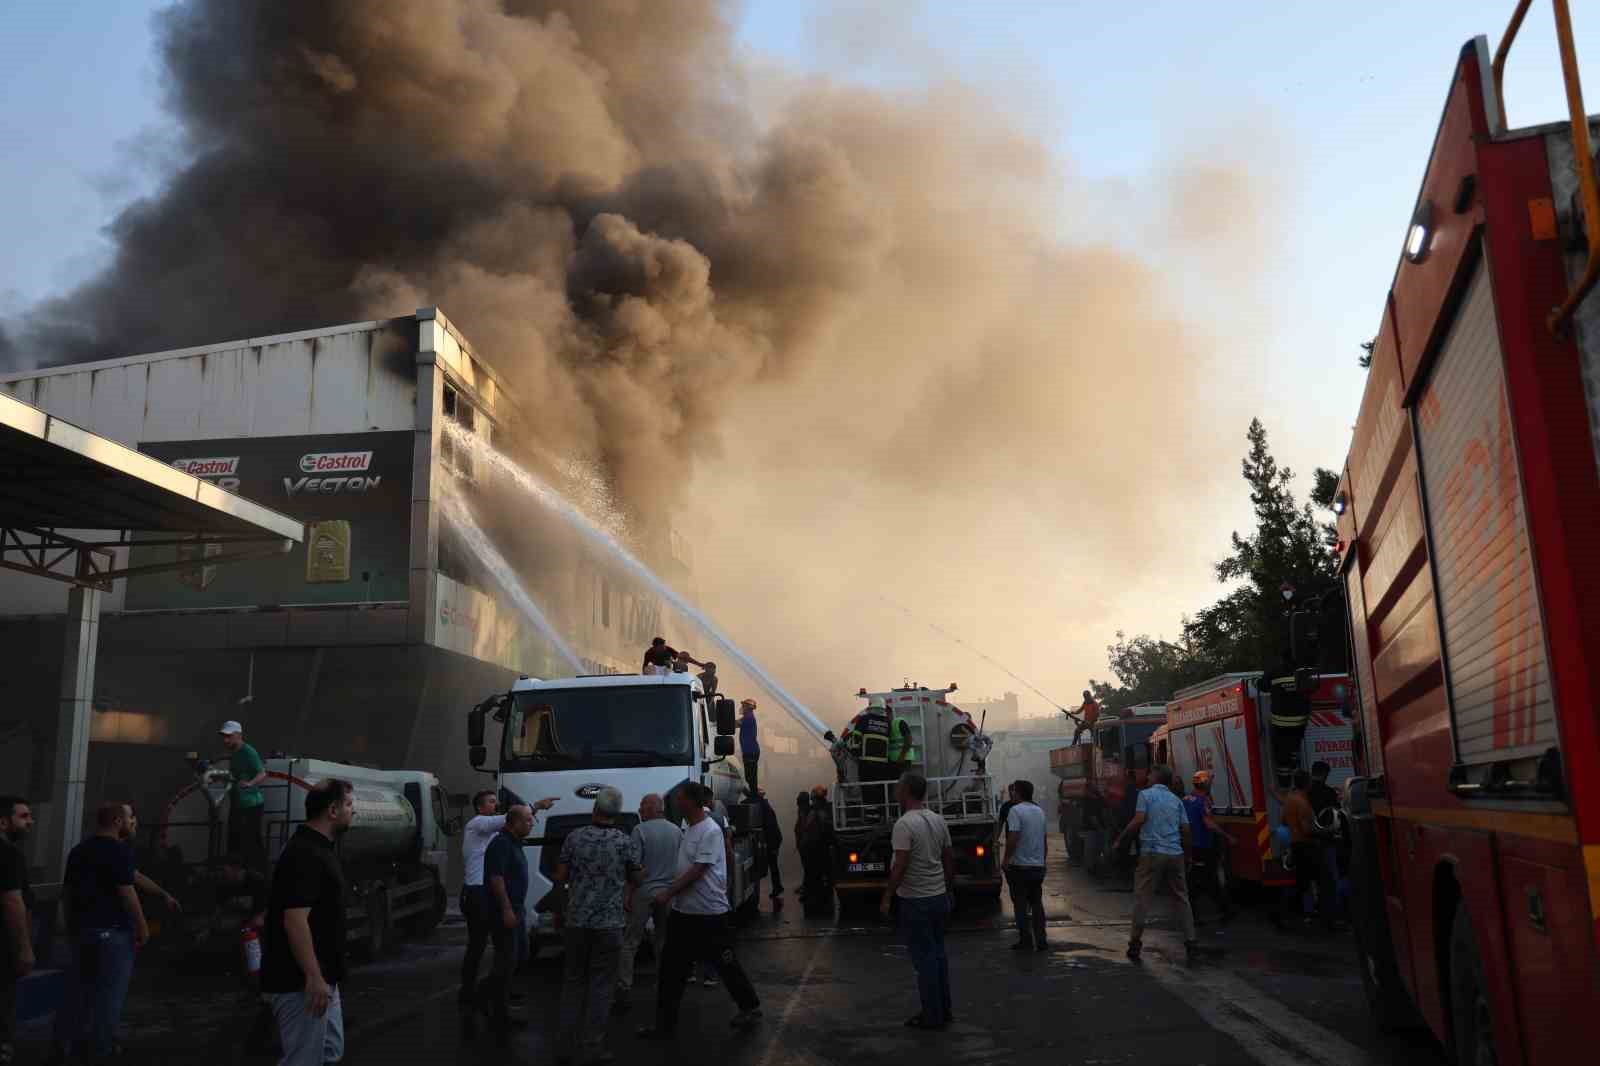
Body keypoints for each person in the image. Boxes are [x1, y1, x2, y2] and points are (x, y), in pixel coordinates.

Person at [638, 783, 762, 1038]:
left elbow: (697, 871)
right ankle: (664, 1024)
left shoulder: (710, 831)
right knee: (672, 970)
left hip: (709, 915)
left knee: (726, 963)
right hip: (685, 913)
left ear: (692, 803)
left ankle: (749, 1006)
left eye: (680, 800)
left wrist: (667, 894)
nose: (676, 804)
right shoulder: (689, 828)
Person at [263, 779, 353, 1066]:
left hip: (322, 977)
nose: (355, 810)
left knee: (329, 1052)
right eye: (350, 804)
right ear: (333, 810)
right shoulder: (305, 853)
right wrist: (313, 977)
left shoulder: (321, 848)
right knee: (303, 1060)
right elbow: (294, 919)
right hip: (299, 981)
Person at [52, 802, 149, 1063]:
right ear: (117, 821)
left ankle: (65, 1046)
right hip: (113, 933)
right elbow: (127, 893)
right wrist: (142, 927)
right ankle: (101, 1051)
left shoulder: (79, 851)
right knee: (110, 995)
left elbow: (67, 893)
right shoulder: (119, 850)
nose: (132, 822)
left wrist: (69, 926)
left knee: (79, 991)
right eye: (130, 818)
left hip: (83, 932)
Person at [553, 786, 641, 1064]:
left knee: (573, 983)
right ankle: (593, 1046)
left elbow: (560, 876)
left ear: (595, 809)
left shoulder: (574, 838)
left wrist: (561, 908)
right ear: (616, 813)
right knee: (602, 986)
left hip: (577, 921)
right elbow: (637, 879)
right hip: (610, 924)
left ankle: (565, 1047)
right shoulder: (623, 842)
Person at [458, 790, 556, 1008]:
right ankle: (470, 992)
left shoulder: (494, 834)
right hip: (476, 893)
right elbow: (509, 818)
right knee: (479, 946)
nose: (496, 805)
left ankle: (498, 990)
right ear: (480, 808)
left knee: (508, 950)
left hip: (485, 893)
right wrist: (537, 805)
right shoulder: (478, 823)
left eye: (496, 801)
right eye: (491, 802)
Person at [881, 771, 955, 1030]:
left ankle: (931, 1016)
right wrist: (948, 889)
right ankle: (944, 1010)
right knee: (938, 955)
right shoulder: (938, 819)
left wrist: (888, 895)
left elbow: (900, 864)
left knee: (924, 959)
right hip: (938, 897)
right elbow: (948, 858)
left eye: (898, 786)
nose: (895, 790)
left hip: (916, 901)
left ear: (906, 792)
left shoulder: (904, 825)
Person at [1115, 766, 1197, 964]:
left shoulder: (1145, 795)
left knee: (1143, 898)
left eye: (1150, 774)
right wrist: (1188, 856)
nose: (1147, 776)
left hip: (1152, 853)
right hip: (1175, 853)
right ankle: (1191, 943)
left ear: (1156, 778)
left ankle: (1135, 944)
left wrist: (1121, 839)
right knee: (1181, 898)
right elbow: (1186, 829)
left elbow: (1138, 820)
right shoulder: (1176, 800)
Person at [617, 794, 682, 1009]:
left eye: (643, 806)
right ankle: (663, 983)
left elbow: (634, 867)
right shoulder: (676, 831)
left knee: (630, 941)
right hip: (669, 893)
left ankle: (624, 987)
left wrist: (627, 894)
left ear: (654, 808)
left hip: (643, 893)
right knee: (663, 939)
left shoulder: (639, 830)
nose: (640, 810)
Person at [480, 804, 535, 1043]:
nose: (532, 823)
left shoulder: (514, 842)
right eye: (528, 820)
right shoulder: (501, 844)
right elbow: (496, 879)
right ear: (514, 822)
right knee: (506, 960)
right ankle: (496, 1010)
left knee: (519, 956)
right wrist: (506, 910)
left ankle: (487, 995)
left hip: (517, 910)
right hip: (505, 911)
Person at [1273, 771, 1335, 933]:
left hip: (1296, 845)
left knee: (1301, 884)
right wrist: (1327, 832)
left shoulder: (1290, 800)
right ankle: (1328, 921)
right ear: (1307, 783)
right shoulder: (1302, 803)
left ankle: (1282, 915)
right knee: (1325, 881)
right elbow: (1307, 829)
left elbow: (1283, 821)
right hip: (1307, 846)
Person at [1, 797, 35, 1066]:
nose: (30, 822)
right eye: (24, 817)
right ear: (3, 821)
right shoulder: (9, 855)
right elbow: (13, 902)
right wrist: (24, 948)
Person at [220, 721, 270, 884]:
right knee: (235, 841)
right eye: (224, 737)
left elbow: (262, 773)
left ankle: (262, 879)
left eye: (229, 736)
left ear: (239, 735)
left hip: (251, 805)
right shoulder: (234, 753)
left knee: (251, 842)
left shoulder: (248, 752)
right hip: (238, 803)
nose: (225, 740)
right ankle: (238, 880)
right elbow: (236, 776)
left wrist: (250, 784)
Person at [1182, 773, 1235, 925]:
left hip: (1191, 845)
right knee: (1202, 880)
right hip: (1203, 846)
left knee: (1202, 879)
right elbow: (1209, 823)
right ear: (1206, 785)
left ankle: (1219, 909)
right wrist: (1227, 836)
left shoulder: (1186, 799)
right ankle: (1220, 910)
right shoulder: (1202, 802)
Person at [1004, 779, 1049, 952]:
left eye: (1013, 791)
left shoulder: (1015, 811)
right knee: (1037, 903)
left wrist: (1006, 859)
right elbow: (1044, 841)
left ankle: (1026, 940)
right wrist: (1042, 862)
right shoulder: (1039, 811)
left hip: (1020, 867)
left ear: (1018, 793)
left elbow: (1013, 837)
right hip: (1037, 867)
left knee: (1021, 905)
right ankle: (1042, 940)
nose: (1012, 794)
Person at [755, 788, 784, 905]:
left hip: (772, 841)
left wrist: (772, 846)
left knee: (772, 865)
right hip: (773, 840)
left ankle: (777, 887)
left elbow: (770, 828)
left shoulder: (763, 808)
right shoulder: (765, 806)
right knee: (773, 866)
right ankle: (777, 887)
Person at [737, 699, 760, 792]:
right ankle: (753, 793)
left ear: (748, 708)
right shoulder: (747, 717)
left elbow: (734, 724)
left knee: (751, 776)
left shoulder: (748, 718)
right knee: (750, 775)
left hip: (751, 751)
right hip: (749, 751)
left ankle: (754, 795)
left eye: (744, 706)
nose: (742, 708)